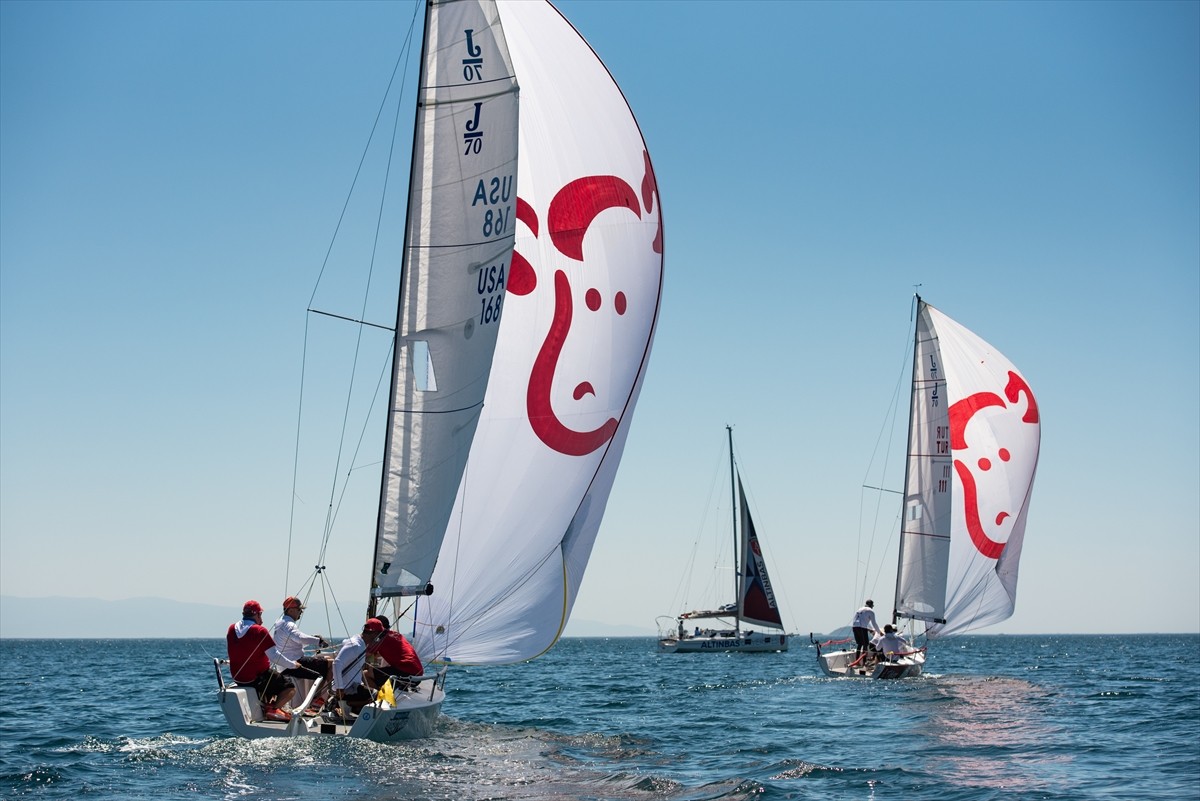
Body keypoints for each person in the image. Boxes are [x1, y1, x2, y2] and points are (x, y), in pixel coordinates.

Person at [226, 599, 296, 721]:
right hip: (255, 678)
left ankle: (267, 707)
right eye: (260, 615)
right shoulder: (259, 631)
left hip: (238, 678)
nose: (262, 620)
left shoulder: (232, 628)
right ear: (257, 614)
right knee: (290, 687)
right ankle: (273, 710)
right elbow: (274, 656)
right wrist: (293, 664)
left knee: (273, 678)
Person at [270, 596, 332, 708]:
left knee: (326, 662)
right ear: (291, 610)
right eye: (299, 609)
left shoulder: (279, 622)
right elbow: (299, 638)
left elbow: (294, 642)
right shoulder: (289, 624)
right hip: (294, 664)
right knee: (331, 664)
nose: (301, 612)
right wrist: (319, 641)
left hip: (284, 665)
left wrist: (313, 639)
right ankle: (317, 700)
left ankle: (316, 700)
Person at [331, 617, 386, 716]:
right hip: (347, 689)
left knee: (374, 695)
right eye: (378, 635)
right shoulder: (356, 645)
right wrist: (340, 688)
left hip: (353, 686)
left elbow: (345, 643)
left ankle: (347, 706)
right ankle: (346, 704)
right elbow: (336, 663)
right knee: (380, 695)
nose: (378, 638)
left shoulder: (361, 643)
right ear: (373, 633)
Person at [368, 615, 425, 689]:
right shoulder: (396, 635)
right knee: (380, 671)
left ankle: (377, 696)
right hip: (417, 677)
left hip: (405, 676)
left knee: (366, 674)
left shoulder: (381, 640)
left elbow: (366, 654)